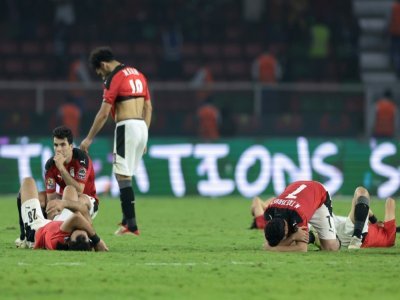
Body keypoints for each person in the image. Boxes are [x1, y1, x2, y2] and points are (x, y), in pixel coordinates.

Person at [80, 46, 152, 236]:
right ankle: (128, 220)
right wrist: (145, 135)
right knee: (124, 175)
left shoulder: (114, 78)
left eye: (99, 72)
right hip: (141, 126)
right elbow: (148, 107)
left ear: (103, 64)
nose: (101, 75)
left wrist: (88, 139)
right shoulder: (138, 74)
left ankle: (132, 225)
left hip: (126, 127)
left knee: (122, 176)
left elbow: (104, 113)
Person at [16, 125, 99, 247]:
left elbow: (80, 189)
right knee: (39, 197)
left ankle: (71, 231)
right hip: (64, 198)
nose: (58, 149)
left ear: (71, 146)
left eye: (63, 145)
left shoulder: (81, 159)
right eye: (56, 145)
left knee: (71, 190)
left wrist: (61, 168)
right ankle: (33, 232)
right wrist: (51, 214)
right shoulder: (50, 165)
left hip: (87, 201)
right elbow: (51, 199)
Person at [20, 177, 108, 251]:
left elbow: (77, 217)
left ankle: (24, 237)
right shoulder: (84, 236)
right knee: (70, 189)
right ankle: (53, 212)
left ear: (67, 240)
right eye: (83, 229)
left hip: (38, 229)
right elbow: (83, 210)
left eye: (78, 229)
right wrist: (64, 204)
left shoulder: (59, 240)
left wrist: (97, 241)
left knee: (28, 182)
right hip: (59, 224)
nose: (81, 227)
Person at [263, 180, 340, 252]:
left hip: (318, 193)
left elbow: (302, 248)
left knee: (330, 248)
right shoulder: (269, 211)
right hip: (300, 197)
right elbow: (268, 244)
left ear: (286, 229)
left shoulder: (298, 215)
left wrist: (291, 237)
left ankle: (336, 234)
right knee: (292, 240)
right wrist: (292, 237)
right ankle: (312, 236)